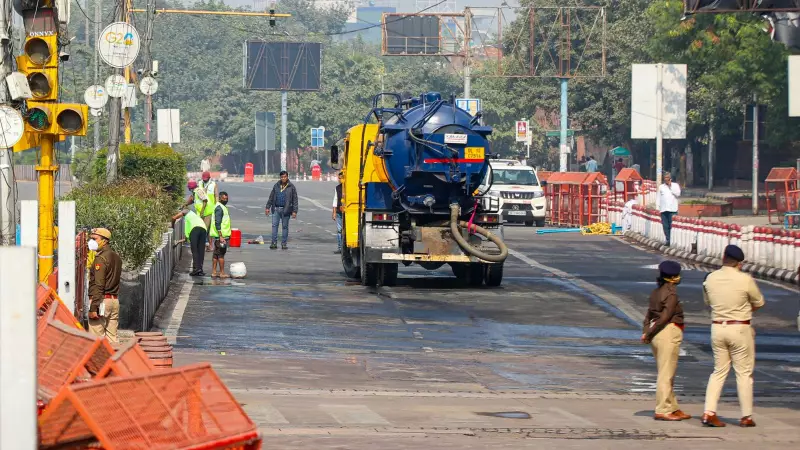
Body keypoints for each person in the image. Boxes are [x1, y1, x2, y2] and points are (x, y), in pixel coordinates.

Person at [701, 245, 765, 428]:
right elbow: (759, 302)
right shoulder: (745, 279)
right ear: (739, 263)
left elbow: (708, 302)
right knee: (743, 373)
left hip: (717, 328)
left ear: (723, 257)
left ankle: (709, 412)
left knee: (718, 371)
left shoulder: (710, 278)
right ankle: (746, 416)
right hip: (739, 328)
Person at [642, 260, 690, 421]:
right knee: (666, 374)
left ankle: (673, 407)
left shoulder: (656, 292)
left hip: (657, 334)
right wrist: (649, 334)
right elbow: (665, 317)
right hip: (667, 332)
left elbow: (649, 315)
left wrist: (646, 332)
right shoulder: (671, 293)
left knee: (667, 372)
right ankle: (662, 409)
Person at [87, 228, 122, 343]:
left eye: (94, 239)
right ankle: (114, 361)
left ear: (105, 241)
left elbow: (99, 285)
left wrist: (93, 308)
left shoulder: (100, 259)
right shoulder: (116, 257)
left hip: (101, 302)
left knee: (97, 341)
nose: (91, 241)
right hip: (114, 301)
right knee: (112, 340)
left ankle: (100, 362)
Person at [265, 170, 298, 250]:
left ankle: (284, 243)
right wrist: (267, 207)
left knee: (285, 227)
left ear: (287, 177)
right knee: (274, 226)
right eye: (282, 177)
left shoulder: (291, 187)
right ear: (280, 177)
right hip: (276, 209)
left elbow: (295, 200)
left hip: (286, 209)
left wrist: (294, 211)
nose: (283, 178)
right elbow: (271, 197)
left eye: (285, 177)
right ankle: (273, 243)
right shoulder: (276, 185)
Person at [174, 209, 208, 276]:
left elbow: (174, 218)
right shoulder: (194, 217)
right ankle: (200, 269)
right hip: (203, 229)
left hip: (195, 230)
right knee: (201, 251)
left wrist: (172, 226)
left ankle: (196, 269)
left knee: (194, 250)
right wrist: (178, 242)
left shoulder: (186, 212)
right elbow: (187, 238)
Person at [210, 191, 232, 278]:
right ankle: (222, 273)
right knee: (221, 255)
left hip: (218, 236)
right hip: (221, 236)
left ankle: (214, 272)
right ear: (219, 198)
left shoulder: (221, 207)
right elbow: (217, 223)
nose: (225, 200)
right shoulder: (219, 208)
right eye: (224, 198)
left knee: (216, 254)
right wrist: (221, 236)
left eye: (226, 198)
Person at [656, 172, 681, 246]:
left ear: (670, 178)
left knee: (672, 226)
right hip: (664, 209)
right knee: (665, 226)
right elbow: (658, 198)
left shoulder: (675, 186)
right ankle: (668, 239)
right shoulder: (661, 187)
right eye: (665, 178)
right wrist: (657, 208)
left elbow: (678, 194)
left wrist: (670, 187)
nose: (666, 179)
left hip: (673, 209)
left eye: (667, 178)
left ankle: (672, 240)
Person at [199, 171, 218, 250]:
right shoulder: (200, 183)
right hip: (201, 210)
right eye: (203, 179)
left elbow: (216, 196)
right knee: (202, 228)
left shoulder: (213, 185)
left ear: (209, 178)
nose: (204, 180)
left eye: (206, 179)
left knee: (206, 229)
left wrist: (217, 206)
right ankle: (206, 245)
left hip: (210, 210)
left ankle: (209, 245)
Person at [332, 171, 344, 254]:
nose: (340, 180)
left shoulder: (350, 187)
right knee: (339, 230)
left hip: (348, 213)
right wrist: (334, 212)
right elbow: (335, 200)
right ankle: (340, 247)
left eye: (342, 178)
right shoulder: (337, 188)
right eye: (339, 178)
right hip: (339, 213)